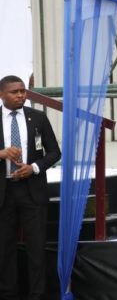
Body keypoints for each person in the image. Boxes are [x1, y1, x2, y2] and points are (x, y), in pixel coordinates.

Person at [0, 75, 61, 300]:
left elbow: (55, 152)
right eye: (14, 92)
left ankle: (38, 295)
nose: (20, 95)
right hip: (3, 193)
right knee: (4, 250)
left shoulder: (37, 117)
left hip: (32, 191)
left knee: (36, 249)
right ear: (1, 94)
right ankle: (8, 294)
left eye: (23, 91)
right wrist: (2, 154)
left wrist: (34, 168)